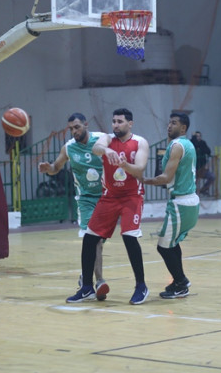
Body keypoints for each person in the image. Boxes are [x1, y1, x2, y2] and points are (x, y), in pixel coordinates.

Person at [66, 108, 150, 305]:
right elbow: (97, 148)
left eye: (120, 121)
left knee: (129, 237)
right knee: (89, 238)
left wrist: (125, 165)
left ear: (130, 124)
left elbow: (139, 169)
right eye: (114, 121)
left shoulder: (140, 142)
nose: (116, 125)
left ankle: (141, 286)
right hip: (110, 196)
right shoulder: (107, 139)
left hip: (131, 196)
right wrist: (107, 150)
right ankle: (87, 288)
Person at [38, 113, 109, 300]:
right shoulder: (69, 147)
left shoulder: (100, 139)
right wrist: (49, 168)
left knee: (98, 243)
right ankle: (98, 282)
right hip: (85, 200)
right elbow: (56, 167)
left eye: (77, 127)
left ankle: (85, 276)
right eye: (71, 129)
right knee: (94, 240)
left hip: (106, 198)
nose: (74, 131)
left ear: (86, 125)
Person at [142, 112, 199, 298]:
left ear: (183, 128)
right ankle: (180, 280)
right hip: (187, 201)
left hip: (181, 203)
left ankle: (181, 283)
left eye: (174, 123)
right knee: (172, 244)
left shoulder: (177, 146)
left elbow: (166, 178)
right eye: (169, 122)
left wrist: (142, 180)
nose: (169, 126)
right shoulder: (187, 144)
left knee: (163, 247)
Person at [191, 131, 215, 196]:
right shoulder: (191, 142)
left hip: (202, 167)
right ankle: (194, 194)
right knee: (193, 182)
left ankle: (203, 190)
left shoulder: (203, 143)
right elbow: (194, 145)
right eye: (196, 136)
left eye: (199, 136)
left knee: (212, 177)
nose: (198, 138)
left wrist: (200, 147)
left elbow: (208, 151)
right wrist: (194, 139)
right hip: (193, 167)